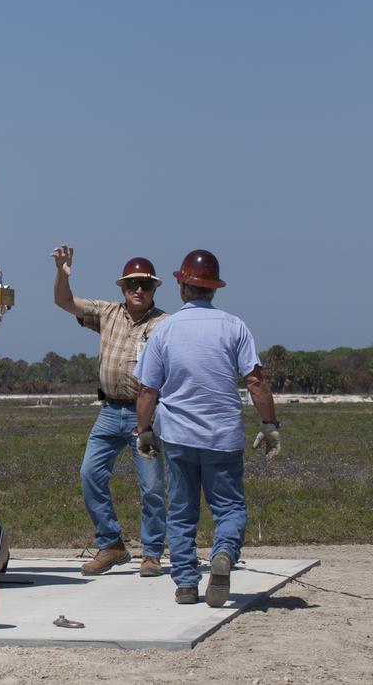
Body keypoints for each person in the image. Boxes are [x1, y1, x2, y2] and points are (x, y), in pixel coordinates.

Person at [134, 249, 281, 607]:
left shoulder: (164, 329)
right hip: (223, 434)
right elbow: (256, 382)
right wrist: (270, 424)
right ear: (213, 289)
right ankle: (224, 555)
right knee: (229, 508)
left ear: (182, 287)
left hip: (179, 435)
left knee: (182, 511)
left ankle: (186, 583)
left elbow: (148, 390)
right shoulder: (234, 326)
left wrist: (144, 431)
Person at [51, 245, 168, 577]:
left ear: (155, 288)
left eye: (145, 284)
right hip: (109, 411)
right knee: (90, 474)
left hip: (145, 415)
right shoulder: (107, 313)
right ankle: (111, 544)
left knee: (151, 486)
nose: (139, 290)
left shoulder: (165, 325)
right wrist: (62, 272)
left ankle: (152, 553)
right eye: (132, 284)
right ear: (123, 288)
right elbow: (64, 302)